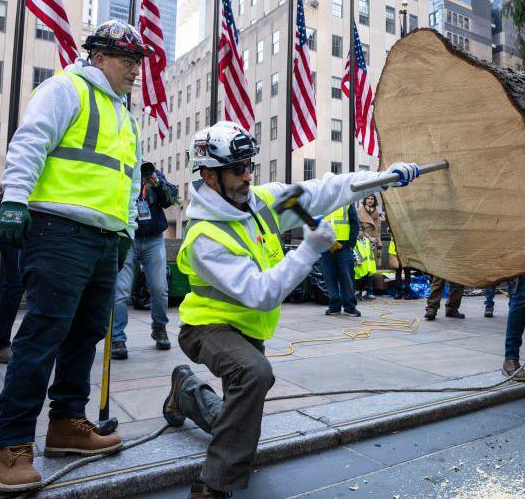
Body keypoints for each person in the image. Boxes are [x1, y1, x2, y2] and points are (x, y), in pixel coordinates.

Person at [160, 122, 419, 498]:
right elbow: (261, 293)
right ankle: (214, 485)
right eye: (237, 169)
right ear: (209, 176)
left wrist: (384, 179)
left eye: (249, 165)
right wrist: (309, 249)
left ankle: (185, 392)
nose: (248, 175)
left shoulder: (262, 203)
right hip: (206, 326)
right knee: (254, 374)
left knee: (238, 422)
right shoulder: (204, 237)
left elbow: (322, 191)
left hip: (247, 329)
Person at [0, 20, 149, 493]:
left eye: (137, 61)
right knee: (42, 336)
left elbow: (128, 181)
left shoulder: (123, 115)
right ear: (98, 57)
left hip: (103, 237)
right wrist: (14, 200)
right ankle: (10, 446)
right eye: (126, 60)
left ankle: (66, 424)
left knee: (84, 336)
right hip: (58, 231)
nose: (134, 70)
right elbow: (30, 141)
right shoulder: (66, 88)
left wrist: (126, 233)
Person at [110, 161, 178, 359]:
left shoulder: (155, 177)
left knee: (159, 288)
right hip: (127, 237)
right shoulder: (124, 176)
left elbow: (171, 198)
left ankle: (159, 328)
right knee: (120, 291)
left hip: (154, 240)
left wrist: (155, 181)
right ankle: (117, 338)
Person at [0, 186, 24, 364]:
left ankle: (7, 344)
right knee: (15, 282)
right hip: (10, 217)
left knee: (18, 281)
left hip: (14, 216)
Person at [320, 202, 361, 316]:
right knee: (329, 278)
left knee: (346, 278)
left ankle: (349, 307)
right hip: (326, 246)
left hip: (344, 246)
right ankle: (334, 306)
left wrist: (350, 244)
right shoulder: (322, 202)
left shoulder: (347, 202)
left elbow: (355, 224)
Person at [353, 233, 377, 300]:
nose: (359, 232)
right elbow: (354, 250)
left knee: (368, 278)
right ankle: (358, 293)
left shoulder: (366, 239)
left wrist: (373, 241)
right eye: (358, 230)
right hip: (359, 263)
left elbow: (371, 247)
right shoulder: (354, 239)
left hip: (368, 263)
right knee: (359, 278)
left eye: (361, 230)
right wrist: (357, 259)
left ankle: (367, 293)